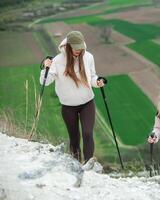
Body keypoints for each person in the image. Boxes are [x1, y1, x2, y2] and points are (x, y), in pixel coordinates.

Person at [40, 30, 106, 164]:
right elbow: (45, 82)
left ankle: (88, 166)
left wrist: (98, 82)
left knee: (88, 134)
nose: (78, 51)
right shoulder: (57, 61)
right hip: (68, 107)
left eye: (80, 47)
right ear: (68, 46)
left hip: (87, 103)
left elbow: (92, 77)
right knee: (74, 138)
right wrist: (45, 68)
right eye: (75, 48)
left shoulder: (88, 57)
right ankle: (76, 165)